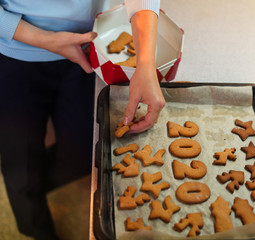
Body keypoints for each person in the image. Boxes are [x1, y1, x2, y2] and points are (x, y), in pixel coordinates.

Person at [0, 0, 164, 239]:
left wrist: (146, 65)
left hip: (88, 45)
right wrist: (44, 39)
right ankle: (35, 226)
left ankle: (35, 182)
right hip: (14, 52)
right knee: (20, 163)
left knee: (84, 150)